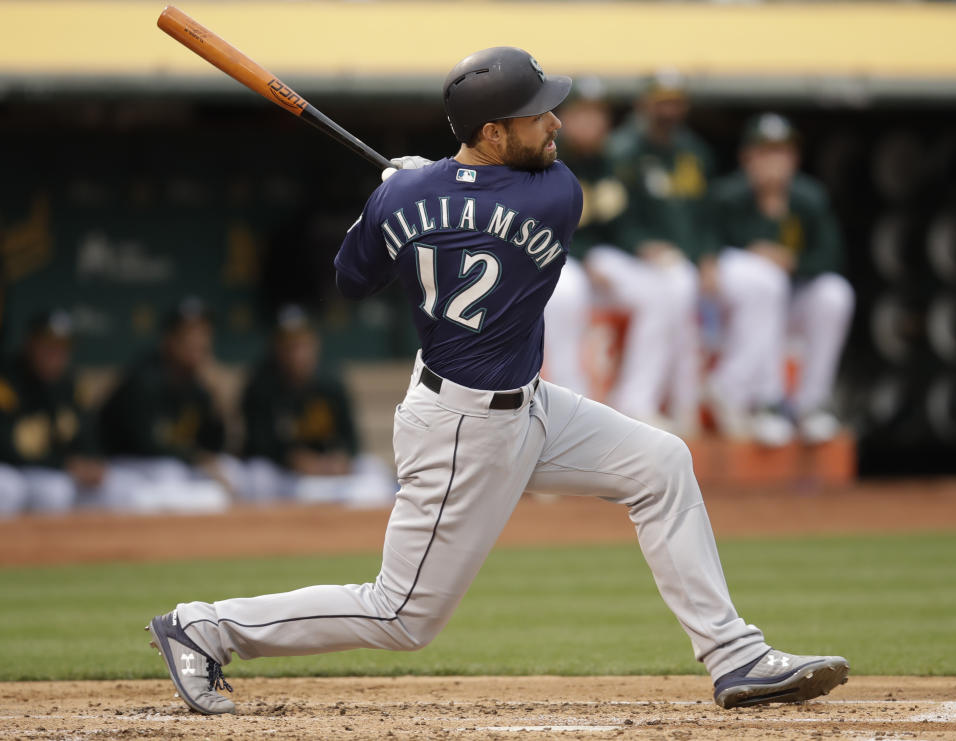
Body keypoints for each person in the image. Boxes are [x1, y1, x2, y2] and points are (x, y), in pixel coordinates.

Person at [146, 47, 848, 715]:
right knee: (402, 614)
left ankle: (734, 654)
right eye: (538, 114)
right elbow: (484, 202)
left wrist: (394, 198)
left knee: (661, 463)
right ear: (491, 131)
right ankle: (203, 627)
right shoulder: (555, 194)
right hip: (464, 429)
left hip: (528, 405)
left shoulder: (409, 202)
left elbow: (352, 277)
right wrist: (425, 184)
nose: (556, 124)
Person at [703, 113, 855, 445]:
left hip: (789, 300)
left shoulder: (809, 198)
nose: (773, 161)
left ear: (794, 158)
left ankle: (810, 404)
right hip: (736, 304)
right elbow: (706, 245)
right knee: (764, 280)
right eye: (765, 152)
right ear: (747, 157)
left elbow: (832, 258)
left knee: (835, 293)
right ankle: (764, 401)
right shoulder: (727, 195)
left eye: (781, 152)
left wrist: (791, 261)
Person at [579, 70, 710, 432]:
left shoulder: (689, 151)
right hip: (589, 260)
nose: (668, 109)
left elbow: (620, 219)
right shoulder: (622, 150)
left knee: (670, 291)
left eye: (674, 101)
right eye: (661, 101)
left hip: (628, 258)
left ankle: (661, 402)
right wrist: (615, 248)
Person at [239, 304, 396, 506]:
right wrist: (292, 459)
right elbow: (256, 444)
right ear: (277, 347)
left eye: (303, 344)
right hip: (284, 475)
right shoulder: (260, 385)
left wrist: (341, 458)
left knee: (375, 470)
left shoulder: (330, 381)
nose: (298, 353)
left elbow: (350, 438)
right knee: (257, 477)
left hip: (326, 468)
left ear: (315, 344)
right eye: (291, 345)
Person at [99, 297, 233, 512]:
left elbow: (213, 445)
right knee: (172, 474)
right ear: (169, 340)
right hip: (125, 465)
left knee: (227, 472)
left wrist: (218, 404)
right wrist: (197, 459)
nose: (198, 342)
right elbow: (146, 443)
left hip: (170, 465)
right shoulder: (144, 378)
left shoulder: (199, 385)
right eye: (190, 334)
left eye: (204, 333)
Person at [542, 78, 626, 395]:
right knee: (566, 292)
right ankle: (566, 395)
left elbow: (622, 226)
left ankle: (637, 401)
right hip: (556, 256)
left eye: (597, 114)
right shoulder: (546, 157)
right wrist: (584, 256)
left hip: (601, 260)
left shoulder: (615, 161)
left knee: (668, 289)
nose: (591, 123)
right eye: (582, 113)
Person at [0, 310, 117, 514]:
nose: (56, 354)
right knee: (10, 489)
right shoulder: (8, 382)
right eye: (49, 346)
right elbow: (6, 448)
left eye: (63, 347)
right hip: (10, 468)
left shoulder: (70, 385)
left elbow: (88, 435)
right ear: (30, 345)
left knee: (103, 487)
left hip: (49, 471)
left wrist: (91, 461)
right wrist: (65, 465)